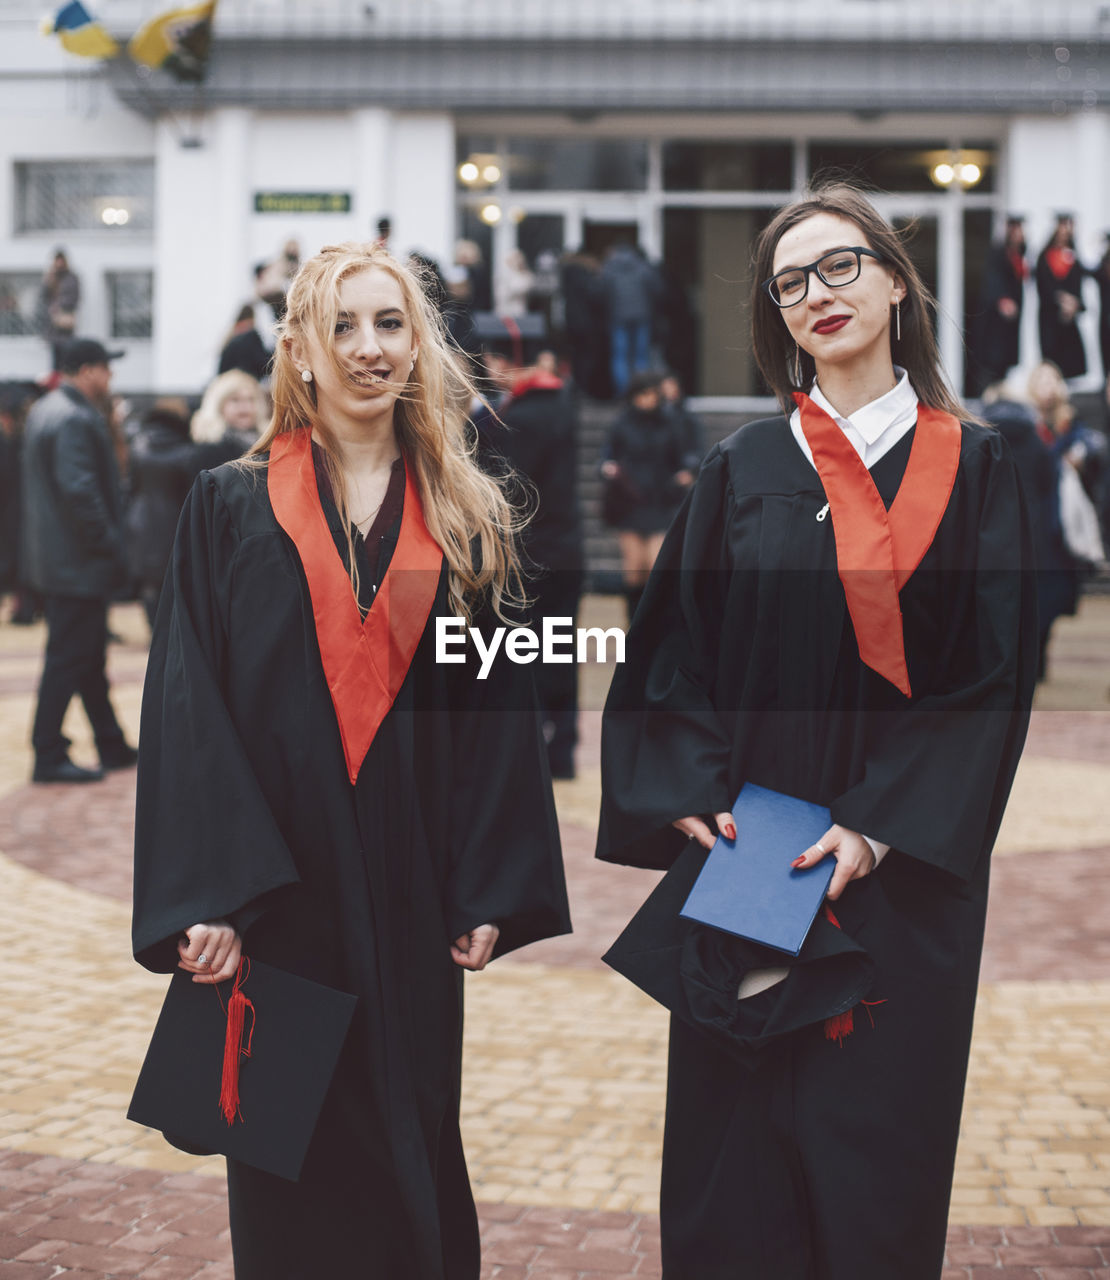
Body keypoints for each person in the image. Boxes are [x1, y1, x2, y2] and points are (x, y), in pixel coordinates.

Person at [596, 183, 1037, 1280]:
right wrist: (688, 786)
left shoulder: (976, 468)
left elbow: (990, 678)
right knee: (733, 1156)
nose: (815, 294)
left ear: (895, 280)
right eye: (790, 281)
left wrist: (877, 830)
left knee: (872, 1158)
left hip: (897, 870)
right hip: (755, 855)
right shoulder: (741, 468)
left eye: (840, 266)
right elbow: (669, 653)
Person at [131, 242, 571, 1279]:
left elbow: (496, 710)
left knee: (412, 1139)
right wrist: (211, 891)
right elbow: (190, 702)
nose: (369, 349)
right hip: (280, 891)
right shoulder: (231, 506)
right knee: (290, 1165)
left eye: (390, 325)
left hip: (413, 883)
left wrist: (488, 879)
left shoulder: (466, 510)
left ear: (421, 347)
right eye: (344, 326)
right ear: (301, 350)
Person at [21, 337, 137, 783]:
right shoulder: (72, 417)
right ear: (88, 370)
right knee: (69, 659)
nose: (110, 376)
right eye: (107, 368)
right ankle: (47, 752)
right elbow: (80, 493)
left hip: (61, 562)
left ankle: (110, 742)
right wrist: (112, 548)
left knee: (84, 658)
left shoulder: (49, 409)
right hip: (77, 564)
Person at [475, 342, 584, 778]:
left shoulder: (513, 420)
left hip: (528, 552)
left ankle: (532, 748)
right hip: (567, 549)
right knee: (562, 648)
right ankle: (565, 747)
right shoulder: (562, 404)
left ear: (504, 363)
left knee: (524, 651)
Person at [600, 370, 692, 621]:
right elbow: (609, 454)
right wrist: (609, 468)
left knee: (656, 566)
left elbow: (682, 455)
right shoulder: (622, 423)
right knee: (634, 569)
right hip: (631, 501)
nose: (648, 399)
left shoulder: (670, 422)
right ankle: (635, 624)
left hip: (661, 500)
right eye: (643, 394)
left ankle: (656, 624)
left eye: (651, 394)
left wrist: (683, 474)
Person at [126, 398, 200, 629]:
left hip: (141, 518)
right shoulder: (188, 451)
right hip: (174, 519)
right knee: (175, 579)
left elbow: (132, 484)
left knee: (149, 582)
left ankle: (153, 626)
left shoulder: (138, 446)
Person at [600, 242, 660, 397]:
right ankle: (641, 391)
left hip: (618, 316)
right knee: (641, 356)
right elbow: (657, 289)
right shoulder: (643, 267)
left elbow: (600, 292)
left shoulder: (609, 268)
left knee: (620, 356)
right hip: (642, 316)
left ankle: (624, 393)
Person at [977, 214, 1028, 389]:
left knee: (1005, 360)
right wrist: (1003, 299)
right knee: (994, 359)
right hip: (996, 321)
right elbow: (993, 279)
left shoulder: (1018, 255)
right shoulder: (998, 253)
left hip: (1010, 323)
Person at [1035, 213, 1088, 379]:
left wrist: (1074, 304)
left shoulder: (1074, 257)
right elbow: (1043, 286)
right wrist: (1062, 300)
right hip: (1050, 319)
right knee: (1052, 361)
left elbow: (1078, 287)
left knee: (1070, 363)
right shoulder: (1044, 257)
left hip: (1069, 320)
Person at [189, 368, 269, 469]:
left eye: (251, 399)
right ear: (218, 405)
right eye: (235, 400)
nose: (245, 407)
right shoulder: (208, 452)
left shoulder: (268, 445)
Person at [38, 249, 80, 355]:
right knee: (55, 350)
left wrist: (60, 305)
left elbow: (74, 297)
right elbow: (44, 296)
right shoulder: (51, 277)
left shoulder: (71, 278)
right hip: (52, 322)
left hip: (64, 320)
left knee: (66, 350)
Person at [218, 303, 272, 382]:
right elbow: (264, 364)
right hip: (245, 384)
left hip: (229, 385)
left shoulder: (231, 338)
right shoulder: (250, 336)